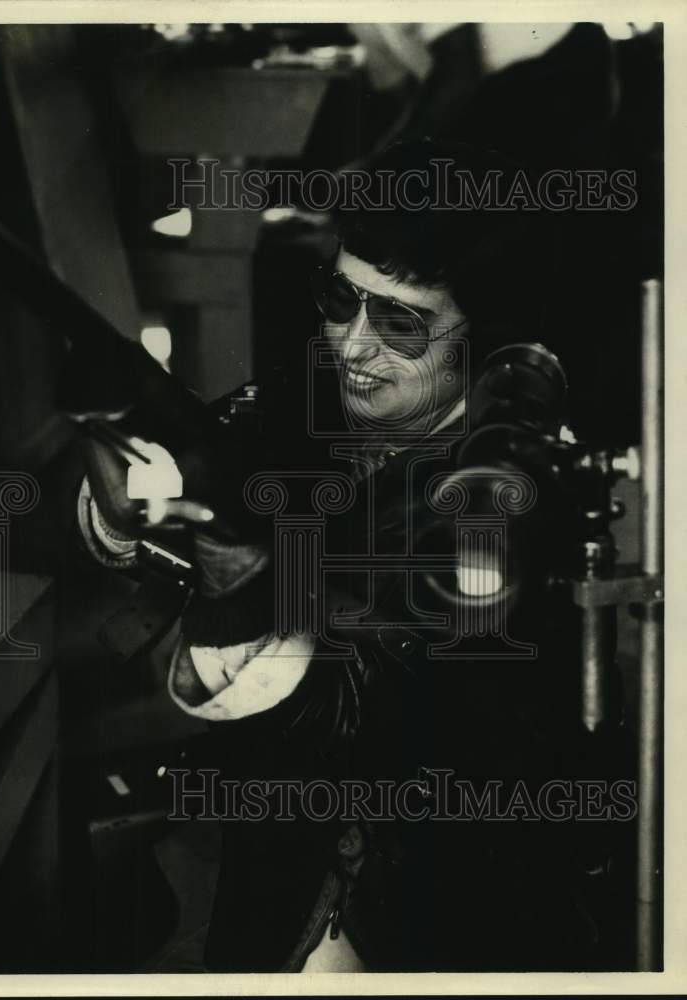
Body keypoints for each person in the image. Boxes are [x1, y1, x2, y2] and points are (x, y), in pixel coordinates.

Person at [78, 139, 622, 972]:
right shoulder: (298, 402)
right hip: (275, 879)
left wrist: (244, 566)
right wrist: (118, 511)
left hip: (447, 907)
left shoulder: (513, 493)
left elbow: (386, 692)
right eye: (340, 297)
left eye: (401, 321)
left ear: (485, 340)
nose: (354, 345)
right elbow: (181, 474)